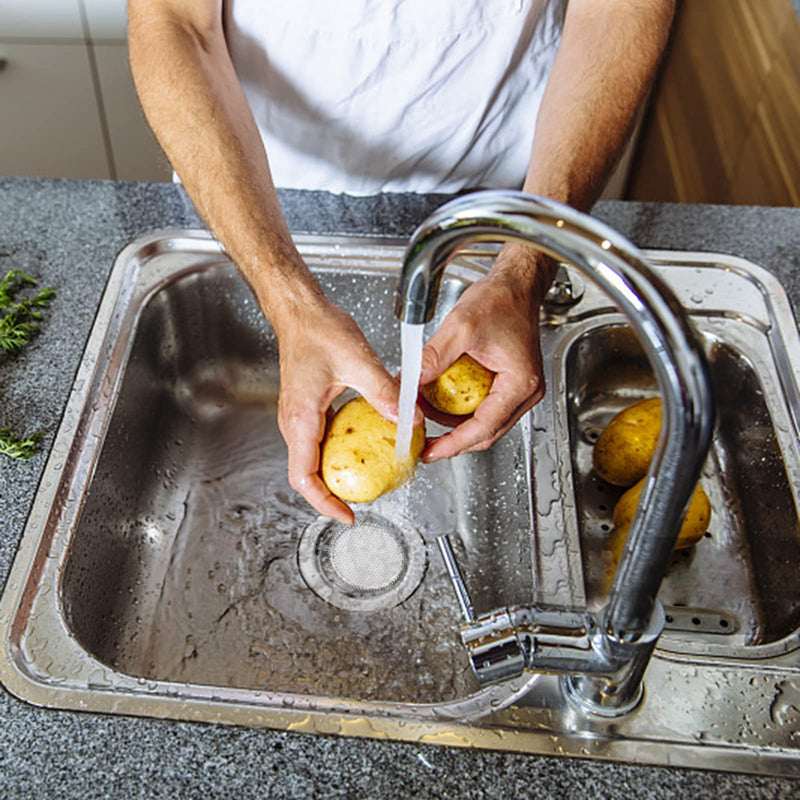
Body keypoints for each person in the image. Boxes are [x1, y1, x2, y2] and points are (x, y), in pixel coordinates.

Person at [128, 0, 675, 524]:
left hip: (509, 182)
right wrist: (287, 301)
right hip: (254, 183)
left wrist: (524, 270)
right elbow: (174, 21)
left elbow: (619, 9)